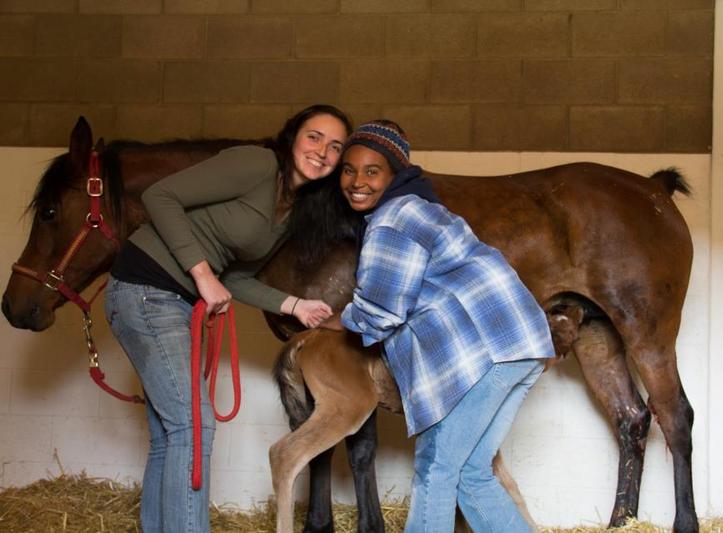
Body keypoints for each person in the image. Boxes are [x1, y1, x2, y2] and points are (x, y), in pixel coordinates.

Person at [104, 104, 351, 533]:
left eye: (335, 147)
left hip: (175, 301)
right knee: (192, 425)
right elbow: (158, 197)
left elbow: (233, 278)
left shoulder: (294, 209)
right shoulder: (255, 163)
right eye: (314, 137)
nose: (322, 152)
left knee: (171, 433)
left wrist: (295, 306)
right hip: (145, 290)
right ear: (293, 136)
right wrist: (202, 274)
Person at [320, 120, 555, 532]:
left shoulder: (392, 220)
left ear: (395, 174)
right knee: (471, 474)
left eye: (372, 171)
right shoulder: (423, 207)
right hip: (520, 343)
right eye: (349, 169)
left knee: (437, 468)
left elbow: (382, 309)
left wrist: (335, 321)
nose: (357, 181)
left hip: (491, 351)